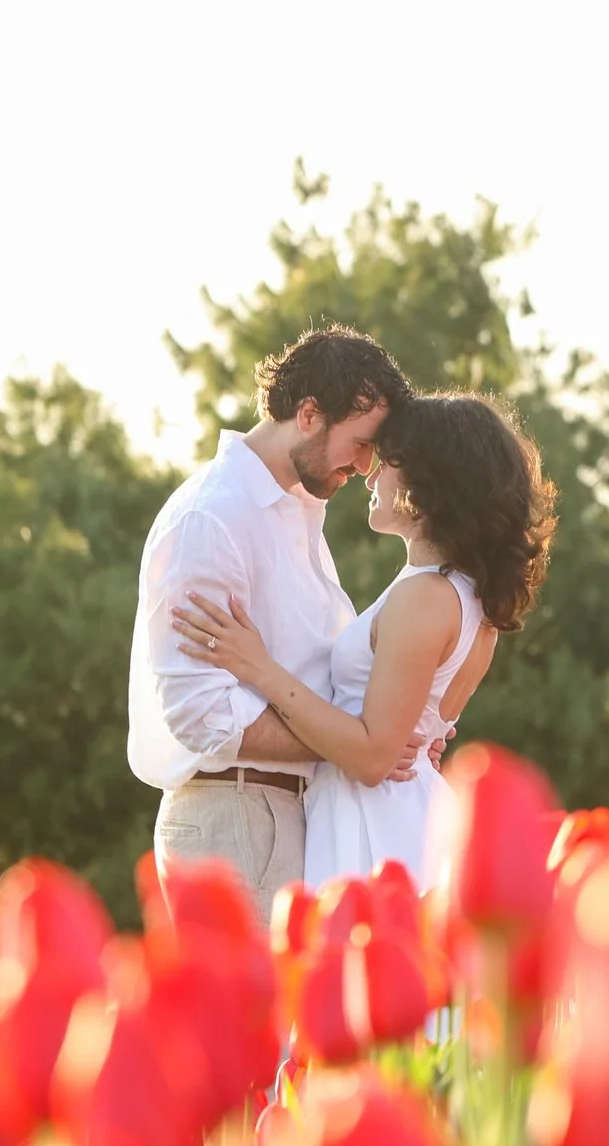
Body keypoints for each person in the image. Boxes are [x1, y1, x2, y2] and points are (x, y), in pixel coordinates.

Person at [167, 390, 557, 891]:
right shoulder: (466, 598)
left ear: (429, 480)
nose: (369, 474)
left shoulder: (427, 596)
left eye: (387, 461)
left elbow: (374, 757)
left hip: (373, 824)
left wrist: (258, 667)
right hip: (391, 809)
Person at [126, 326, 417, 920]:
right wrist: (352, 745)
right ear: (309, 415)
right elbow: (200, 713)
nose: (366, 467)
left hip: (272, 812)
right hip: (234, 817)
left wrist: (387, 730)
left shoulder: (295, 512)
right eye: (361, 443)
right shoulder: (214, 517)